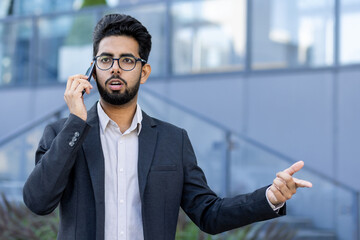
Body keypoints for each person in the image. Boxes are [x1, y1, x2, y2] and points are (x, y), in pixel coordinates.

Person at [23, 14, 312, 240]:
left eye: (126, 60)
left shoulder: (173, 140)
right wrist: (76, 122)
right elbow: (38, 201)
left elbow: (208, 214)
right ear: (92, 69)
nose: (115, 68)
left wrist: (269, 198)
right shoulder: (63, 134)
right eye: (105, 59)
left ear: (143, 71)